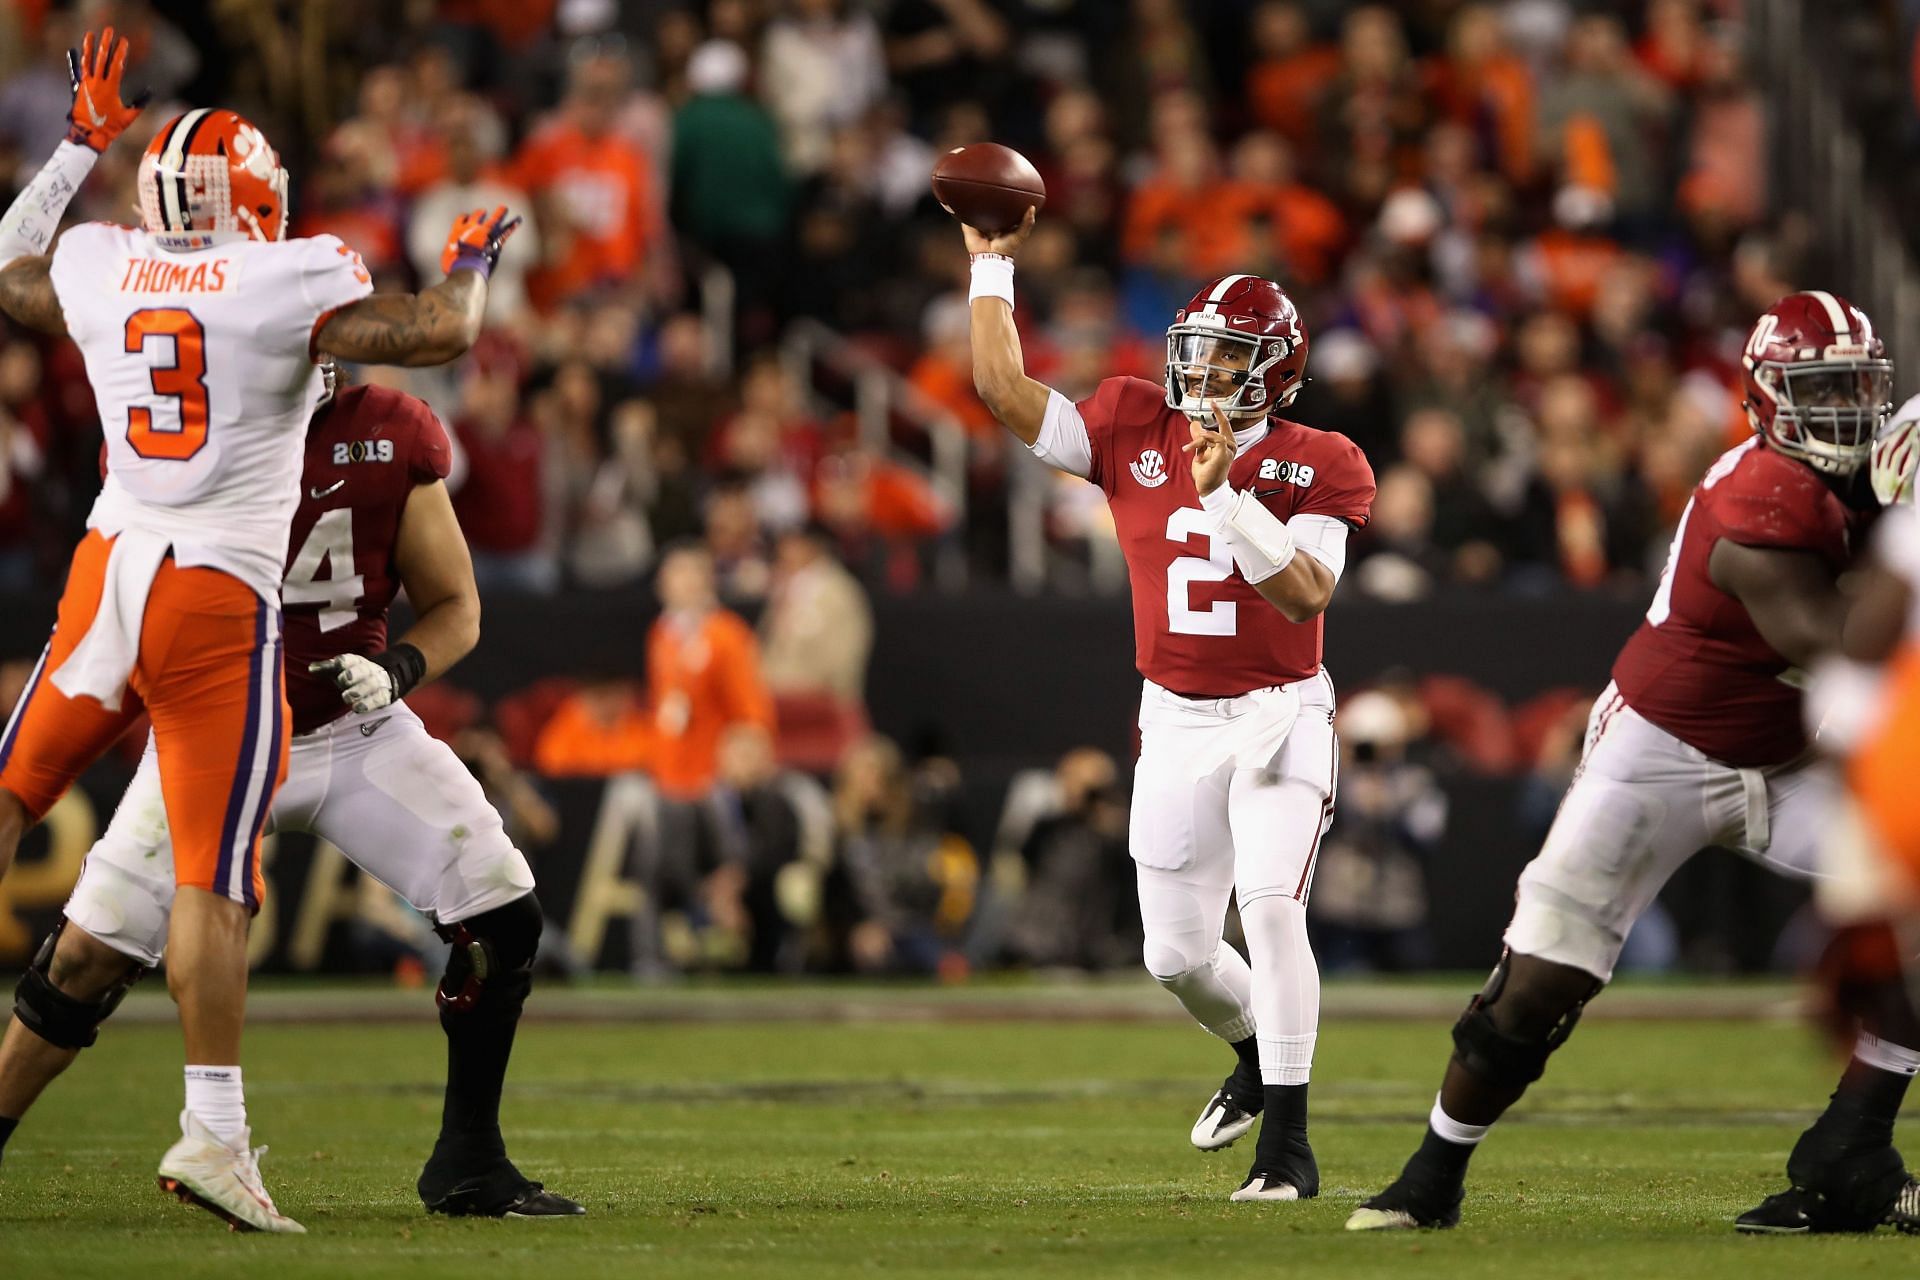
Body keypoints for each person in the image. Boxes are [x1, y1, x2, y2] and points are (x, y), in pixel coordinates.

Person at [0, 30, 517, 1232]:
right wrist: (473, 268)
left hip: (107, 569)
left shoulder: (97, 257)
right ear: (256, 200)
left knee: (14, 789)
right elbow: (437, 331)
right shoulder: (286, 277)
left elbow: (10, 263)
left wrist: (78, 143)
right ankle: (214, 1130)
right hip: (212, 601)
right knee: (212, 881)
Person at [1347, 293, 1920, 1234]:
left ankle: (1850, 1151)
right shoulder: (1758, 495)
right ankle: (1432, 1173)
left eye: (1860, 389)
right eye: (1821, 391)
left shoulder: (1883, 476)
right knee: (1539, 981)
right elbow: (1840, 643)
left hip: (1796, 756)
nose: (1848, 414)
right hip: (1667, 745)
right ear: (1767, 400)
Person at [0, 372, 581, 1220]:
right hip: (214, 728)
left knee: (502, 907)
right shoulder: (180, 437)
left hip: (351, 731)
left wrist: (397, 670)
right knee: (87, 957)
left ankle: (470, 1161)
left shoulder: (388, 430)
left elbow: (457, 605)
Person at [968, 207, 1375, 1202]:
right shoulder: (1128, 421)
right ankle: (1250, 1050)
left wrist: (1230, 497)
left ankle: (1289, 1144)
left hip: (1281, 709)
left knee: (1273, 906)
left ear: (1275, 371)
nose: (1205, 376)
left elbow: (1308, 593)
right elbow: (1005, 392)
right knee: (1176, 951)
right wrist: (989, 273)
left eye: (1231, 359)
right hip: (1177, 716)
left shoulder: (1323, 458)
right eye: (1197, 353)